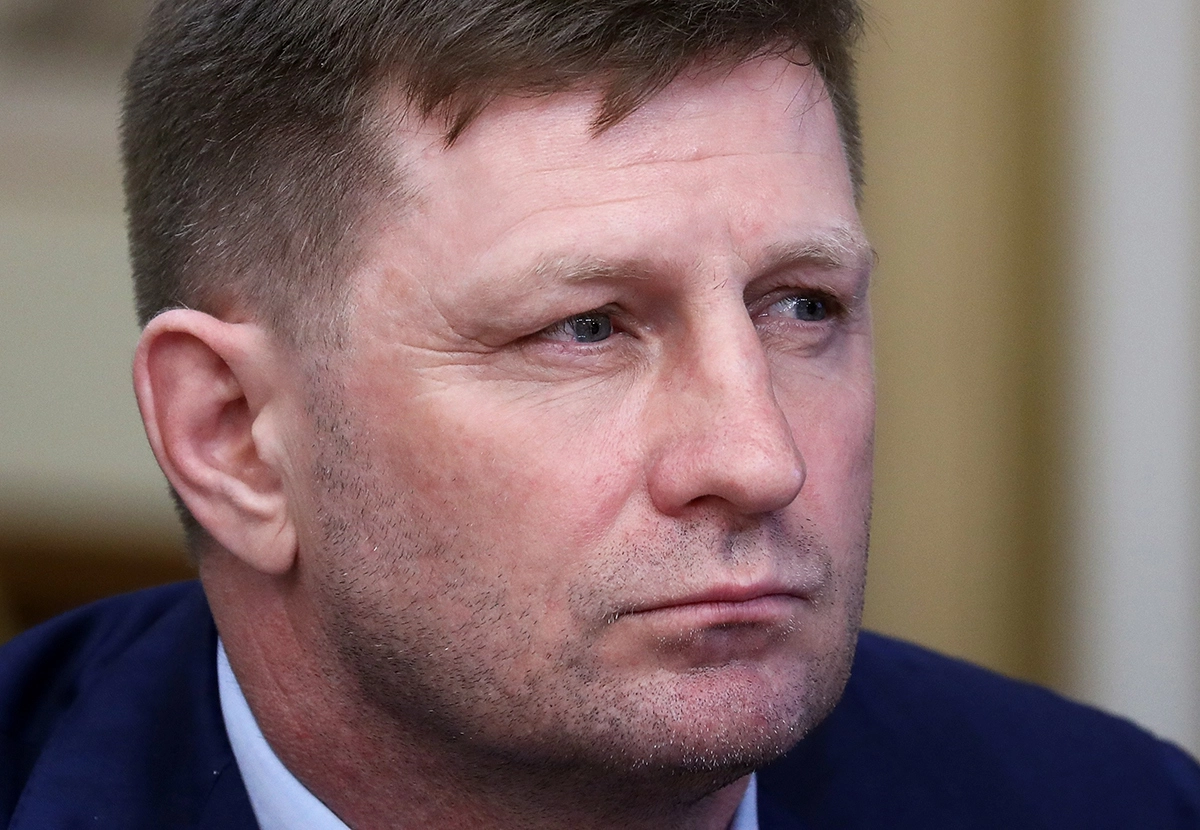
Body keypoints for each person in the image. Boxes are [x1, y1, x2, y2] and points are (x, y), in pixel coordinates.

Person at [1, 1, 1198, 828]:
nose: (760, 458)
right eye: (585, 328)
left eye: (803, 306)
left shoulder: (1118, 805)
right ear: (235, 437)